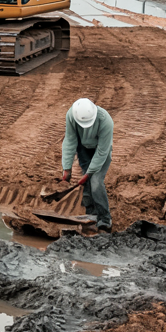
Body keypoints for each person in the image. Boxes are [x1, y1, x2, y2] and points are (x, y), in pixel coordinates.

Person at [61, 97, 114, 232]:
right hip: (83, 148)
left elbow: (102, 152)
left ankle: (105, 219)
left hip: (101, 149)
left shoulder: (105, 121)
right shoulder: (71, 115)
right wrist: (66, 168)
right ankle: (91, 215)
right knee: (87, 184)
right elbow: (70, 140)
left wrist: (89, 173)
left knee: (95, 182)